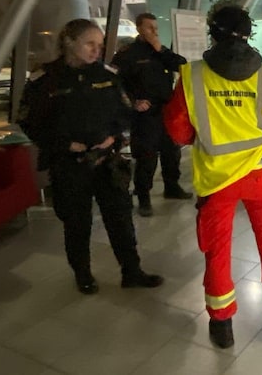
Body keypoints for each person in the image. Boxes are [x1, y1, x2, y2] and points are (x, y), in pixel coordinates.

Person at [164, 5, 262, 349]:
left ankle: (222, 324)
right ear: (248, 32)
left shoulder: (191, 75)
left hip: (215, 178)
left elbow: (178, 131)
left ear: (213, 33)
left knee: (217, 251)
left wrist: (206, 137)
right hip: (260, 177)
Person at [18, 18, 163, 295]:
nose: (96, 50)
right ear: (69, 43)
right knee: (77, 223)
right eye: (89, 44)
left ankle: (131, 272)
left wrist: (115, 137)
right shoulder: (45, 79)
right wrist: (64, 145)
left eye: (99, 44)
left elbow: (124, 113)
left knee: (121, 220)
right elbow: (29, 122)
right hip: (69, 164)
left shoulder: (107, 75)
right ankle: (83, 274)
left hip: (107, 160)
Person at [111, 12, 191, 218]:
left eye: (156, 28)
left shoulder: (161, 52)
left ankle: (172, 186)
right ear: (139, 29)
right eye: (149, 28)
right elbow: (115, 84)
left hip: (167, 109)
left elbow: (182, 66)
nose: (154, 32)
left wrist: (160, 49)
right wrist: (133, 102)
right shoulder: (128, 54)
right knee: (146, 156)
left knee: (171, 151)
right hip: (144, 114)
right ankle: (144, 196)